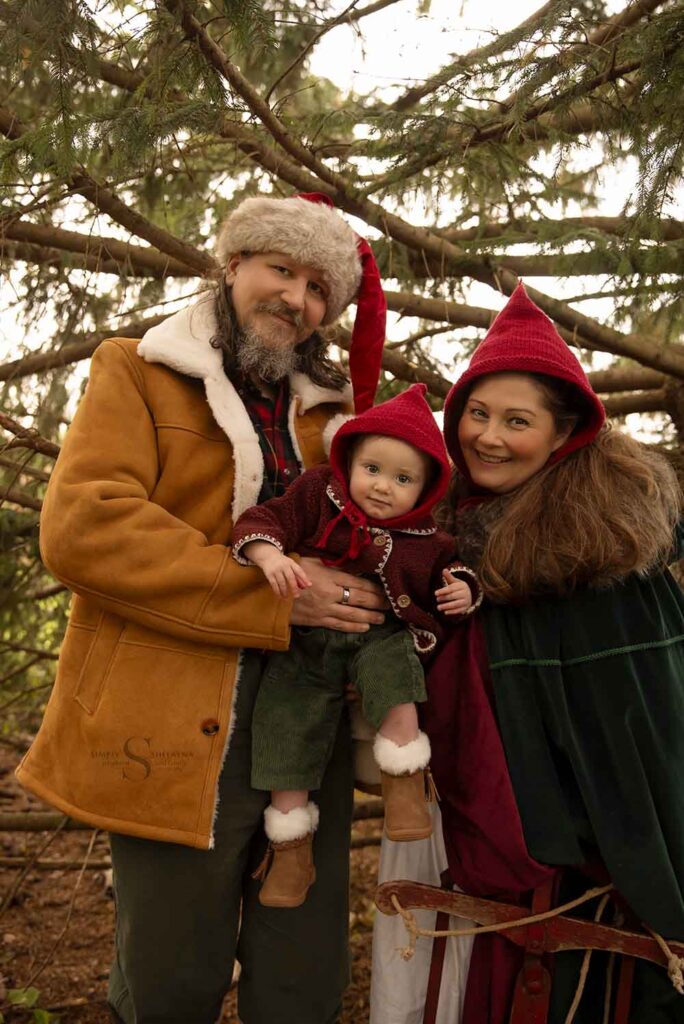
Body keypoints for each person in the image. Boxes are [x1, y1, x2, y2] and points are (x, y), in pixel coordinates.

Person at [16, 191, 391, 1024]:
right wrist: (271, 601)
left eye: (320, 288)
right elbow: (87, 528)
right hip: (168, 721)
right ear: (233, 266)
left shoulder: (338, 419)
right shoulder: (136, 370)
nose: (297, 298)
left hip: (309, 727)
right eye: (280, 270)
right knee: (171, 982)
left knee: (301, 981)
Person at [371, 283, 684, 1024]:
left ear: (563, 433)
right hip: (473, 864)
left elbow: (643, 754)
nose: (488, 437)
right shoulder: (447, 539)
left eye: (518, 421)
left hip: (586, 887)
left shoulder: (602, 569)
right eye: (477, 414)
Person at [232, 383, 481, 908]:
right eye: (372, 469)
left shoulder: (426, 535)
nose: (383, 487)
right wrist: (269, 556)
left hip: (379, 636)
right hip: (302, 644)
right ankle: (291, 851)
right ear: (349, 461)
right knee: (285, 724)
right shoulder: (319, 494)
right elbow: (265, 520)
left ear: (427, 489)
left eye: (403, 478)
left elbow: (452, 567)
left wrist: (463, 587)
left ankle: (406, 790)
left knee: (397, 678)